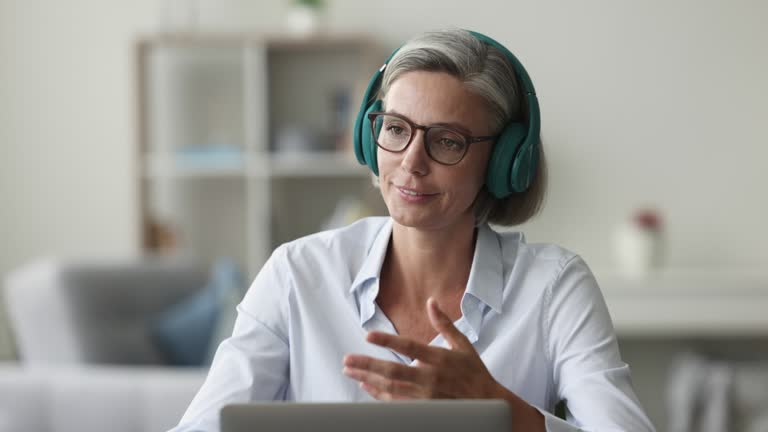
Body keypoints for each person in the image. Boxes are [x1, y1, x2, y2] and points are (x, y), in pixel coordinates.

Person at [171, 28, 655, 432]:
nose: (411, 163)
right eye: (396, 129)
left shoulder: (554, 286)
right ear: (369, 133)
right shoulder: (298, 273)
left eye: (447, 141)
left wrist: (501, 409)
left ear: (504, 162)